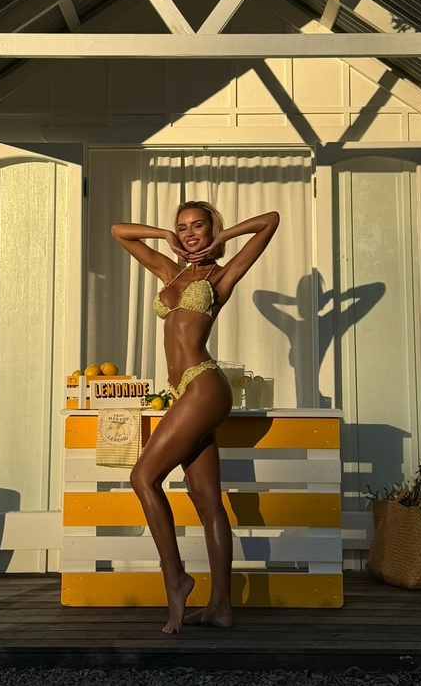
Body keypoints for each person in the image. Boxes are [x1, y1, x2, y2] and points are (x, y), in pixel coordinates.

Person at [111, 201, 279, 634]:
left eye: (197, 226)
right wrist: (163, 236)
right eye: (182, 227)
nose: (188, 233)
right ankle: (221, 607)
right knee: (206, 499)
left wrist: (224, 238)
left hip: (204, 384)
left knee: (142, 477)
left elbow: (270, 222)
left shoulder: (221, 276)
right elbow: (119, 231)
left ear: (210, 230)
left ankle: (176, 578)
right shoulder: (170, 272)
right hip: (183, 391)